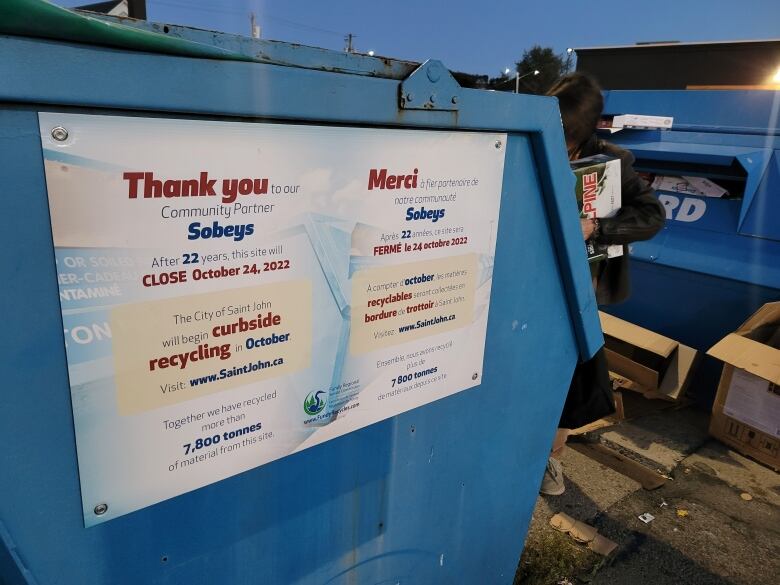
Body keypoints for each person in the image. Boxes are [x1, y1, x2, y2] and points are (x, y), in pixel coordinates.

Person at [539, 73, 665, 496]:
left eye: (568, 137)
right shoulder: (531, 143)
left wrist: (597, 228)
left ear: (585, 129)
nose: (560, 143)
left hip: (582, 287)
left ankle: (551, 458)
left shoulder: (613, 161)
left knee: (571, 375)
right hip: (534, 281)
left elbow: (652, 217)